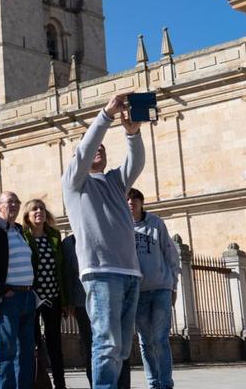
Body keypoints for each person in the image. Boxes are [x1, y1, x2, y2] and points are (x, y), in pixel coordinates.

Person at [61, 93, 144, 389]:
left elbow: (135, 164)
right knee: (106, 345)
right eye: (94, 146)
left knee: (121, 349)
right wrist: (105, 116)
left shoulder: (114, 181)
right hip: (101, 271)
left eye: (103, 147)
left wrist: (132, 134)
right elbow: (84, 151)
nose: (99, 149)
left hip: (130, 273)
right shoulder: (74, 183)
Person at [0, 191, 35, 389]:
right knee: (7, 353)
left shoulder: (19, 231)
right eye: (9, 202)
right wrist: (3, 290)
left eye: (17, 202)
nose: (14, 205)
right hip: (8, 299)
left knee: (26, 353)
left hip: (27, 297)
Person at [61, 233, 130, 389]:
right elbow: (67, 273)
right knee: (91, 345)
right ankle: (96, 384)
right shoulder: (69, 242)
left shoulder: (104, 233)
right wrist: (69, 301)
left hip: (110, 296)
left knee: (117, 343)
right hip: (82, 301)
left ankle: (121, 384)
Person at [129, 187, 180, 389]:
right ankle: (153, 383)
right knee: (145, 341)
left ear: (142, 202)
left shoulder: (156, 223)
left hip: (160, 289)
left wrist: (173, 286)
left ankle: (165, 384)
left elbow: (171, 254)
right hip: (138, 292)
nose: (131, 203)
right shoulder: (121, 226)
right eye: (127, 199)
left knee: (160, 339)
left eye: (135, 199)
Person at [22, 199, 68, 389]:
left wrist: (65, 301)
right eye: (34, 209)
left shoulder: (55, 236)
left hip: (54, 297)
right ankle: (37, 382)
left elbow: (62, 270)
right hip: (32, 299)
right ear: (27, 215)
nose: (39, 211)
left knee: (54, 343)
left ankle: (60, 384)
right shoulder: (23, 237)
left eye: (41, 208)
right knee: (34, 343)